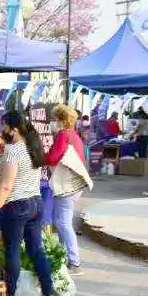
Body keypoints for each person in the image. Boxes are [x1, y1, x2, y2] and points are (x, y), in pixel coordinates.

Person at [0, 111, 54, 296]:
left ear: (13, 130)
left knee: (13, 249)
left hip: (17, 205)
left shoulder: (13, 151)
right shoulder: (33, 147)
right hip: (36, 203)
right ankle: (48, 292)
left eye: (4, 127)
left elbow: (6, 187)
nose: (1, 130)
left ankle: (11, 295)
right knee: (36, 249)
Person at [44, 105, 92, 276]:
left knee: (62, 222)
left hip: (67, 185)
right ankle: (64, 257)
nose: (51, 122)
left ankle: (74, 262)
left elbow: (52, 157)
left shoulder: (63, 135)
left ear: (61, 120)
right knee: (62, 221)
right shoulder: (73, 135)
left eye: (54, 119)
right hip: (74, 185)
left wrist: (40, 156)